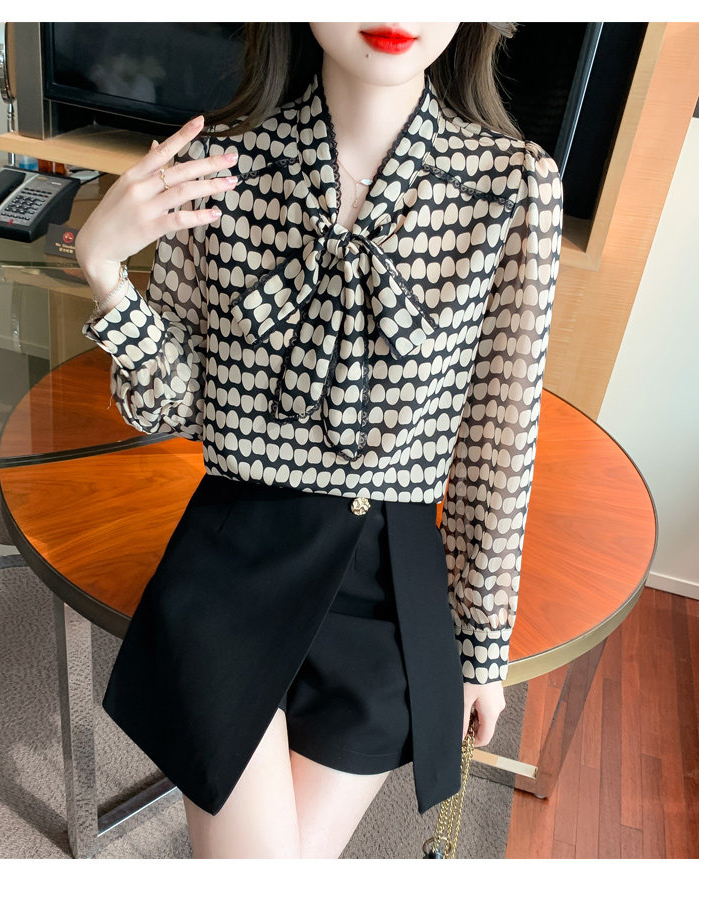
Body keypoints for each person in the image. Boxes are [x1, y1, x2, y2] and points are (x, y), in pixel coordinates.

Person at [74, 22, 563, 859]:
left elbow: (499, 442)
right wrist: (107, 276)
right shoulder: (221, 164)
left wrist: (483, 648)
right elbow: (168, 407)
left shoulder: (514, 186)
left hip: (390, 583)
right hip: (233, 563)